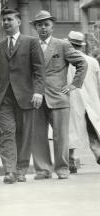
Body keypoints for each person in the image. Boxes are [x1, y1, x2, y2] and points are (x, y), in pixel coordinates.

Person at [0, 8, 45, 184]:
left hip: (26, 96)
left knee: (25, 135)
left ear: (19, 22)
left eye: (10, 19)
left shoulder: (31, 42)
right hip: (4, 98)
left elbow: (39, 71)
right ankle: (10, 171)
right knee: (7, 133)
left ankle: (21, 169)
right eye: (4, 20)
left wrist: (38, 92)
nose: (6, 23)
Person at [32, 11, 87, 180]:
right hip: (36, 97)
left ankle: (62, 169)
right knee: (38, 135)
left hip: (58, 97)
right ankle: (42, 170)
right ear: (35, 27)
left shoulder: (62, 45)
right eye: (39, 24)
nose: (43, 28)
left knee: (61, 136)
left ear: (52, 26)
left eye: (46, 24)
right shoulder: (30, 45)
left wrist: (73, 85)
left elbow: (82, 63)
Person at [66, 31, 100, 172]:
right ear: (81, 46)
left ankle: (71, 160)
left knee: (70, 130)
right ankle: (98, 153)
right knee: (93, 128)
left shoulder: (66, 62)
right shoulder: (92, 61)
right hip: (91, 100)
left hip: (72, 99)